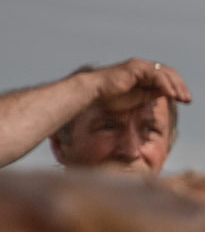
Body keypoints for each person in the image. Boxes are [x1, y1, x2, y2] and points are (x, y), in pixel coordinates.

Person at [0, 59, 191, 174]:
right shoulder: (26, 229)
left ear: (167, 149)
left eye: (150, 130)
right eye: (109, 127)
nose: (131, 151)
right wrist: (90, 87)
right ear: (60, 146)